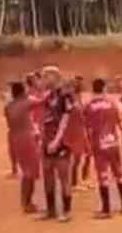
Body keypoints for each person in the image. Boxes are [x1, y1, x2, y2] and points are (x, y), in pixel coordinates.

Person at [84, 78, 122, 219]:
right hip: (113, 143)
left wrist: (89, 147)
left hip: (99, 145)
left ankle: (106, 209)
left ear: (93, 89)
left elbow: (88, 129)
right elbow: (121, 123)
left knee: (103, 176)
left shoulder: (90, 106)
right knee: (119, 174)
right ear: (104, 88)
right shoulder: (112, 104)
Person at [40, 66, 75, 222]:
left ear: (55, 77)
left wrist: (56, 141)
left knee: (63, 176)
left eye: (46, 76)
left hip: (61, 142)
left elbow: (66, 119)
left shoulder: (65, 96)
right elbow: (46, 120)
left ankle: (66, 212)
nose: (44, 79)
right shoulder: (48, 97)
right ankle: (51, 210)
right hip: (47, 141)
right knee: (47, 175)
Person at [5, 81, 40, 214]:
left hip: (15, 138)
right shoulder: (26, 103)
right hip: (27, 138)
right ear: (22, 92)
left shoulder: (9, 106)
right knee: (30, 172)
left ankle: (25, 202)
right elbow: (44, 101)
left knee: (26, 171)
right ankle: (27, 203)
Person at [65, 77, 92, 192]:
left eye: (80, 83)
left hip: (81, 130)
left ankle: (83, 179)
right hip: (74, 132)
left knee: (88, 154)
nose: (80, 85)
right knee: (76, 158)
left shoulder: (78, 97)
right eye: (77, 84)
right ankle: (73, 183)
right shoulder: (69, 99)